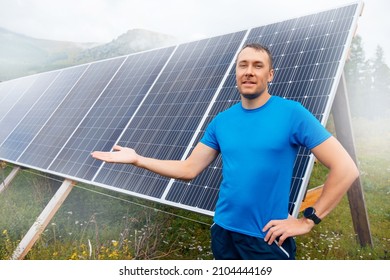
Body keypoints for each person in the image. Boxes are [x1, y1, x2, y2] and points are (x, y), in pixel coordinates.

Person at [91, 43, 359, 260]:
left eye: (258, 66)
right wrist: (138, 159)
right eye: (243, 65)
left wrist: (307, 221)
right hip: (223, 233)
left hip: (266, 240)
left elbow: (346, 169)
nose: (249, 71)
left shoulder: (292, 114)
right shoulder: (222, 121)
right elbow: (188, 169)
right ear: (236, 72)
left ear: (270, 75)